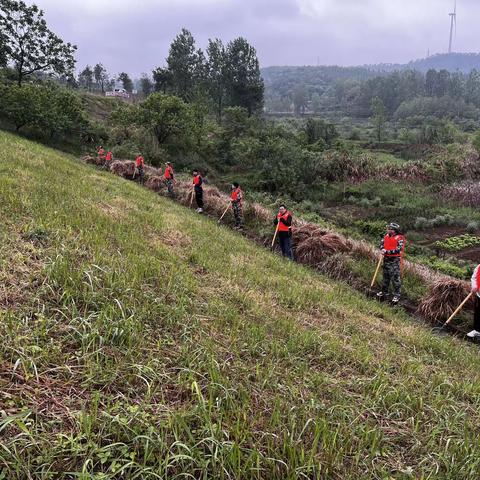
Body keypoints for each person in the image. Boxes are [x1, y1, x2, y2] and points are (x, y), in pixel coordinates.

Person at [376, 223, 405, 304]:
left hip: (394, 260)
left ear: (394, 230)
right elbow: (381, 244)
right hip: (386, 259)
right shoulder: (386, 236)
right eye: (388, 228)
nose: (388, 230)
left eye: (390, 229)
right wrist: (382, 249)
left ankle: (397, 295)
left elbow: (399, 249)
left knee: (395, 278)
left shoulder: (399, 238)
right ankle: (384, 291)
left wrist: (388, 251)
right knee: (385, 276)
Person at [467, 264, 480, 338]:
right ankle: (476, 331)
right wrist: (474, 286)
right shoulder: (479, 267)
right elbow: (474, 277)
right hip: (479, 295)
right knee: (478, 313)